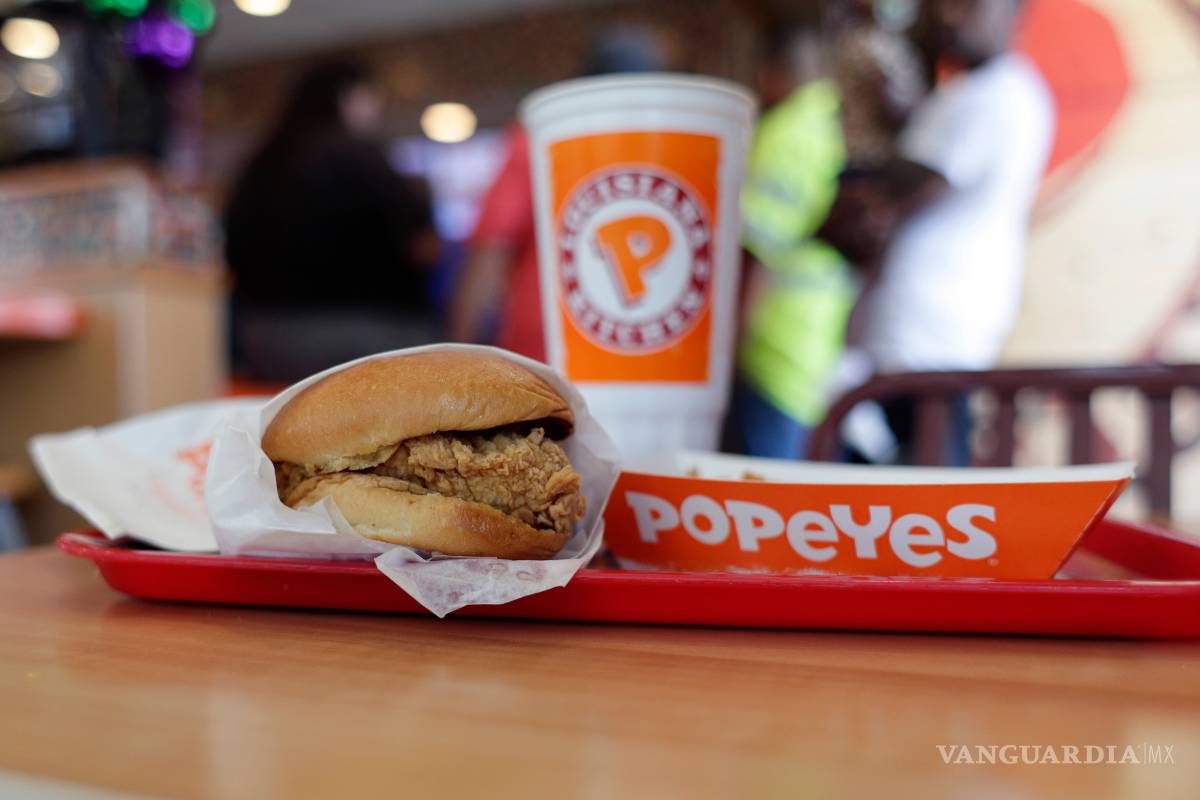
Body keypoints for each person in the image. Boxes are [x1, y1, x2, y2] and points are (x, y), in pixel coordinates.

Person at [824, 0, 1055, 464]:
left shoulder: (999, 93)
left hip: (931, 339)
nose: (951, 14)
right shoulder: (960, 93)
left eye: (970, 4)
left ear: (1014, 12)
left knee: (923, 509)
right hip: (904, 339)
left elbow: (885, 197)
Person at [448, 27, 665, 362]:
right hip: (639, 360)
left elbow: (490, 252)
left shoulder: (539, 138)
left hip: (544, 361)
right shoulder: (666, 148)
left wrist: (456, 356)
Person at [224, 60, 440, 383]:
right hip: (367, 336)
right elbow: (422, 245)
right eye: (371, 98)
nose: (375, 110)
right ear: (347, 96)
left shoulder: (260, 163)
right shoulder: (357, 154)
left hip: (266, 339)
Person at [722, 23, 856, 459]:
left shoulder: (786, 133)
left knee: (765, 498)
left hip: (773, 347)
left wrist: (728, 349)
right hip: (813, 341)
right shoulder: (829, 124)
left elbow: (755, 251)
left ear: (771, 73)